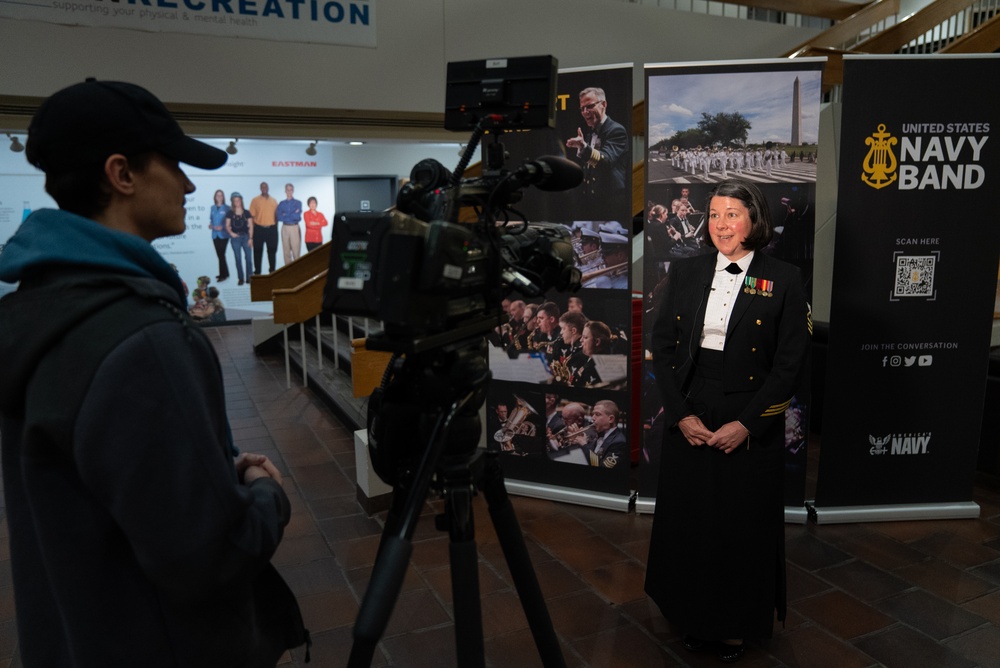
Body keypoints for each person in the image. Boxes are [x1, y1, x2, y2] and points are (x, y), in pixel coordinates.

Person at [0, 79, 308, 667]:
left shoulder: (42, 305)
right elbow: (210, 554)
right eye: (174, 164)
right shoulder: (144, 339)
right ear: (122, 175)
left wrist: (211, 468)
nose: (190, 184)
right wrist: (266, 494)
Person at [644, 179, 810, 663]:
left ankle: (734, 624)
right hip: (693, 404)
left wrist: (748, 426)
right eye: (714, 215)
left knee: (739, 526)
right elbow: (665, 346)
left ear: (754, 219)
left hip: (748, 408)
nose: (721, 224)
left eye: (732, 214)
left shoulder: (784, 276)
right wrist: (681, 414)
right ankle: (690, 614)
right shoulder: (686, 270)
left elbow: (790, 365)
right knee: (691, 519)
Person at [565, 86, 629, 198]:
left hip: (610, 201)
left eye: (589, 106)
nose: (585, 112)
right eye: (582, 108)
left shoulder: (617, 130)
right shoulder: (590, 134)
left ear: (603, 104)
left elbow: (606, 160)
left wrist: (584, 147)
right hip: (591, 200)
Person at [584, 400, 627, 469]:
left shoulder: (619, 442)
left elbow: (602, 466)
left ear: (611, 419)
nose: (593, 418)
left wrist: (583, 445)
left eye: (597, 414)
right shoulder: (598, 433)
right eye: (593, 414)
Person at [225, 191, 254, 285]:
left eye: (238, 200)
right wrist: (231, 233)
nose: (237, 202)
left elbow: (251, 225)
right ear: (232, 202)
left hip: (246, 237)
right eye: (235, 200)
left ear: (241, 201)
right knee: (238, 259)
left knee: (249, 259)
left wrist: (250, 238)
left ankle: (249, 277)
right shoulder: (230, 213)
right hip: (235, 238)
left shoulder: (246, 212)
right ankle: (240, 278)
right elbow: (227, 225)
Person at [250, 181, 278, 274]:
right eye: (262, 187)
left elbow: (277, 216)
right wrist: (254, 228)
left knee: (272, 251)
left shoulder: (274, 201)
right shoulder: (255, 200)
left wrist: (274, 226)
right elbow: (252, 216)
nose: (264, 188)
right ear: (260, 188)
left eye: (265, 187)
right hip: (259, 229)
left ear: (268, 188)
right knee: (257, 252)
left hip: (271, 230)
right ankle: (257, 272)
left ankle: (272, 271)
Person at [276, 182, 302, 265]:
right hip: (285, 228)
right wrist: (291, 214)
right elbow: (279, 217)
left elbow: (296, 216)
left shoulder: (298, 203)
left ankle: (297, 269)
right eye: (288, 190)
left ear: (293, 191)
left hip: (294, 227)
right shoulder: (281, 203)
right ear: (285, 191)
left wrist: (285, 214)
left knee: (296, 250)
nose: (289, 191)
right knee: (286, 250)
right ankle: (288, 271)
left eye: (291, 190)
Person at [209, 188, 231, 281]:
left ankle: (223, 275)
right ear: (215, 197)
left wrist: (223, 227)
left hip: (224, 234)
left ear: (223, 197)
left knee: (221, 254)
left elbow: (230, 222)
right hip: (215, 234)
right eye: (217, 195)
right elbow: (211, 219)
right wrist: (211, 225)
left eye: (221, 195)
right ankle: (225, 273)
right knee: (220, 255)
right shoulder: (212, 208)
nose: (219, 196)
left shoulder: (227, 208)